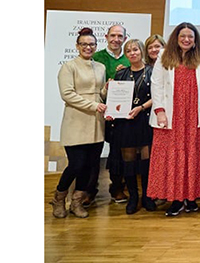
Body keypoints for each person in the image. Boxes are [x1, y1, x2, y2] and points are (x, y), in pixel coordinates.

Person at [148, 22, 200, 216]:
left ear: (195, 41)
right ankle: (176, 199)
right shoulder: (164, 55)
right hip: (170, 115)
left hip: (194, 114)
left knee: (193, 155)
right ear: (176, 38)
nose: (186, 39)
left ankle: (191, 197)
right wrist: (159, 110)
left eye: (190, 37)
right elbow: (157, 84)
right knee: (172, 156)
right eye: (183, 36)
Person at [51, 28, 106, 218]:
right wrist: (93, 105)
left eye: (91, 44)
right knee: (76, 164)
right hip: (76, 121)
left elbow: (100, 94)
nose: (88, 47)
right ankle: (59, 198)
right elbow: (67, 94)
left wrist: (108, 91)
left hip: (96, 123)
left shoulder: (100, 67)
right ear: (77, 46)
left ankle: (77, 202)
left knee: (91, 166)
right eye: (84, 44)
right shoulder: (69, 66)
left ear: (96, 46)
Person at [105, 39, 156, 214]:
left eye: (135, 49)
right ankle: (133, 196)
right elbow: (112, 99)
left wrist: (141, 108)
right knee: (128, 162)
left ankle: (147, 196)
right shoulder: (121, 74)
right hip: (125, 123)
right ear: (125, 55)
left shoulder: (152, 72)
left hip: (145, 120)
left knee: (146, 161)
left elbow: (158, 96)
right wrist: (111, 109)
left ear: (142, 51)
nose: (132, 53)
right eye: (128, 51)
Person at [93, 24, 130, 204]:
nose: (116, 39)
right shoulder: (96, 57)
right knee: (94, 151)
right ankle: (89, 190)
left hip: (123, 114)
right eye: (113, 35)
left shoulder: (130, 57)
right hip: (99, 111)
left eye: (120, 36)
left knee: (118, 151)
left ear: (125, 38)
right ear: (106, 36)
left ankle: (117, 187)